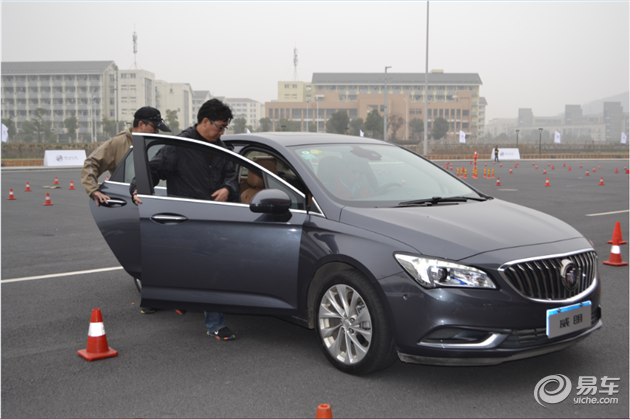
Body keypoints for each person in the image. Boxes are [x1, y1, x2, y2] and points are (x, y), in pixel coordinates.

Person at [130, 99, 239, 340]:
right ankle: (215, 324)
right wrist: (138, 188)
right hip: (186, 219)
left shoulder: (221, 147)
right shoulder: (178, 145)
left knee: (205, 268)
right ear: (204, 121)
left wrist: (228, 189)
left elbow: (233, 174)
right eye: (220, 126)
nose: (221, 132)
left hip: (214, 220)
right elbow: (153, 169)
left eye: (224, 128)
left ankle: (181, 299)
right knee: (209, 268)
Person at [81, 107, 171, 206]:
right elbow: (91, 163)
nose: (157, 132)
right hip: (128, 202)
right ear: (141, 124)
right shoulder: (118, 143)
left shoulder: (157, 146)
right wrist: (94, 191)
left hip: (155, 201)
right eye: (155, 127)